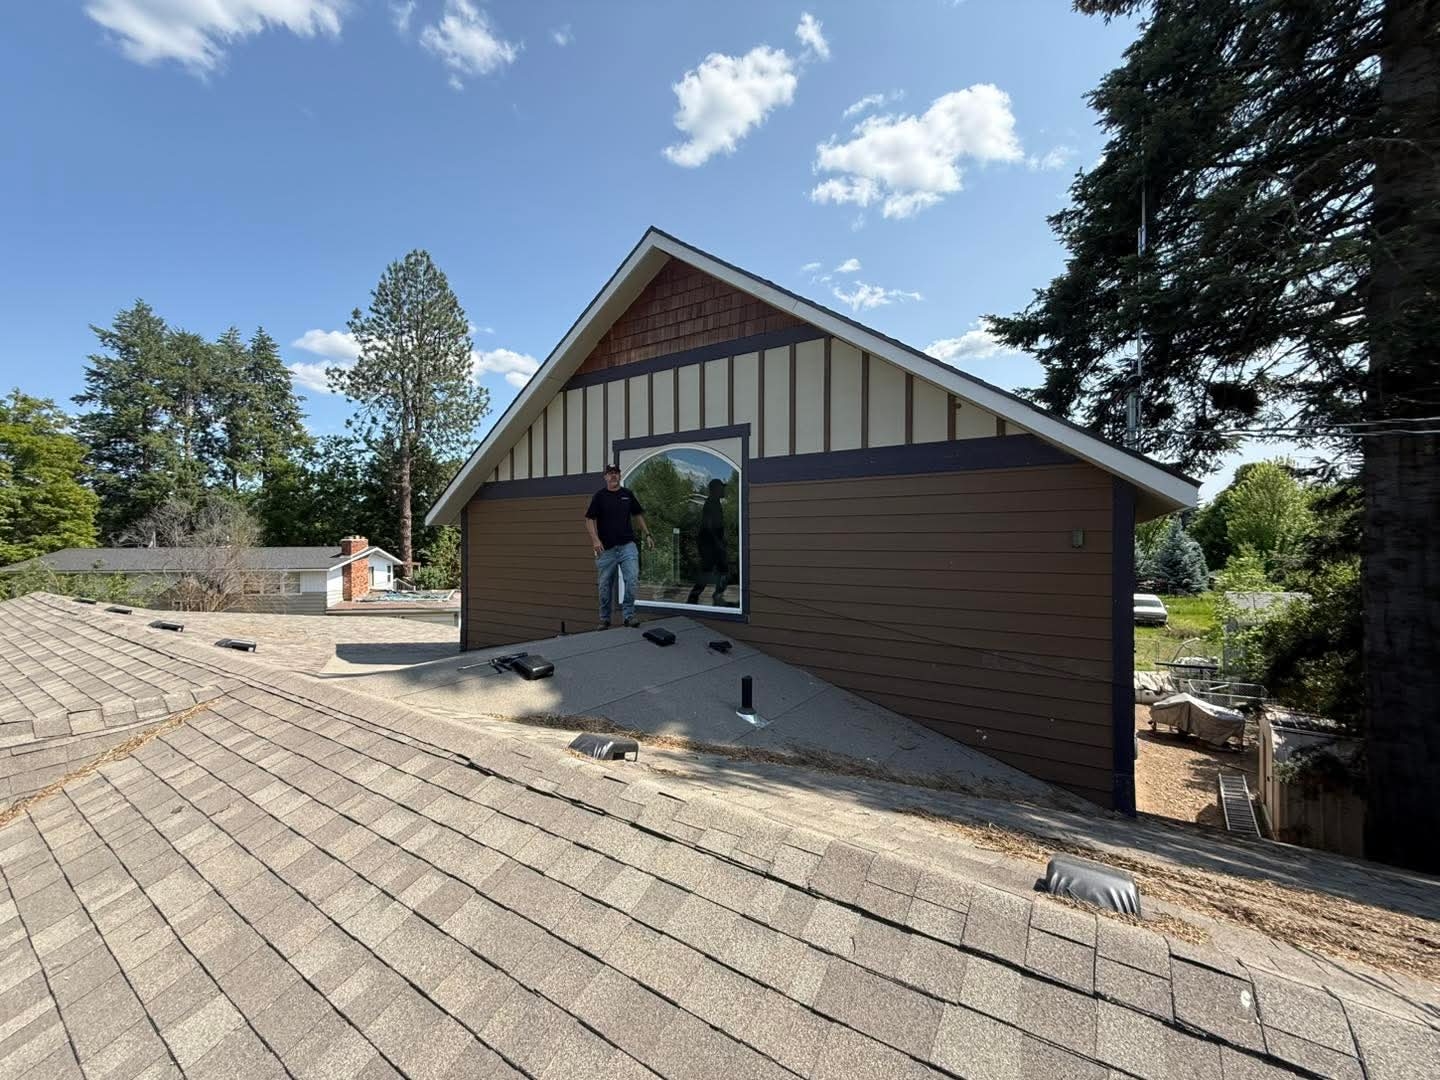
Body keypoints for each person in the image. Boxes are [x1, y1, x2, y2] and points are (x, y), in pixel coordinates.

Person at [584, 464, 655, 629]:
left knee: (631, 580)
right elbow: (589, 519)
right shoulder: (600, 496)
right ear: (605, 477)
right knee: (604, 585)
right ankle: (604, 619)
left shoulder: (627, 495)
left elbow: (637, 514)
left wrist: (648, 534)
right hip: (606, 549)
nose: (613, 476)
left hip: (627, 546)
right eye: (610, 473)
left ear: (620, 475)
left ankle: (629, 616)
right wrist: (595, 540)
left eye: (616, 473)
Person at [686, 478, 730, 606]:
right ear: (715, 489)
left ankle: (715, 596)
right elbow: (709, 526)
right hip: (709, 545)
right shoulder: (711, 503)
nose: (724, 490)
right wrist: (719, 543)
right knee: (709, 571)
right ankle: (693, 598)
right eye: (722, 487)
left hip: (713, 544)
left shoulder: (716, 502)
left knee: (722, 570)